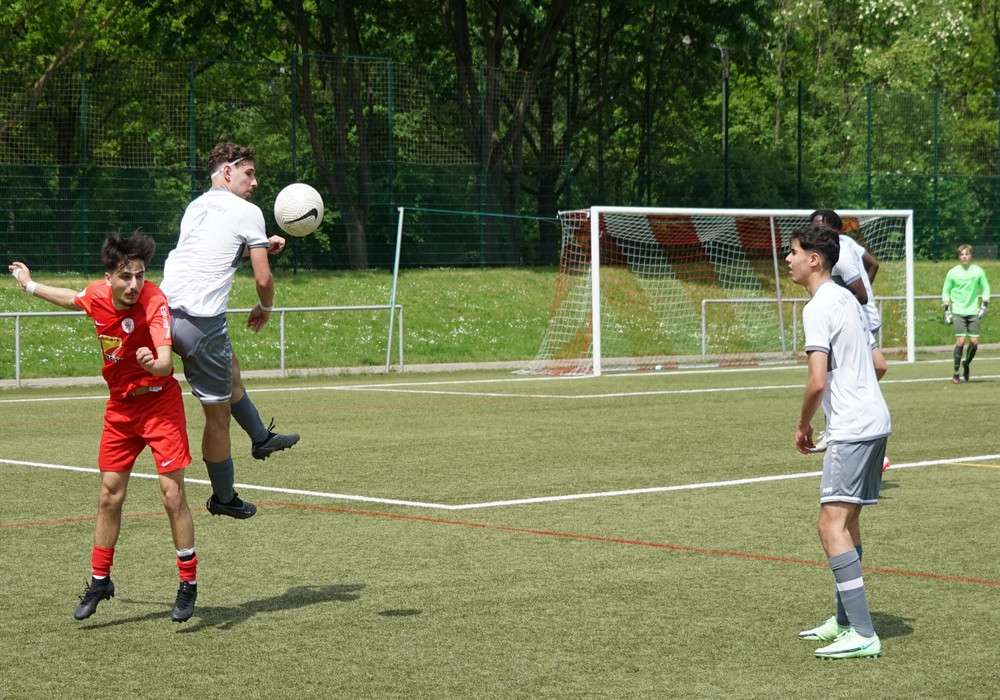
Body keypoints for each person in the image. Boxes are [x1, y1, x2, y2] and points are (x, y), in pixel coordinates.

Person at [9, 232, 199, 623]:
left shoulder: (154, 301)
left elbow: (166, 361)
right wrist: (29, 285)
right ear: (109, 277)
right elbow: (72, 298)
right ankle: (100, 581)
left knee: (172, 495)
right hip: (121, 409)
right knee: (109, 495)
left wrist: (154, 364)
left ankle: (188, 583)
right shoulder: (96, 295)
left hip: (160, 404)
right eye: (126, 276)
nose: (134, 284)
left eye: (140, 275)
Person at [159, 142, 300, 520]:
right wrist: (265, 308)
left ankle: (261, 438)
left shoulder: (196, 206)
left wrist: (261, 244)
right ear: (227, 171)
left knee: (230, 368)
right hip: (201, 324)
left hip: (163, 314)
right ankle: (223, 497)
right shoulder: (248, 211)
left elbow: (213, 249)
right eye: (248, 173)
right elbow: (263, 280)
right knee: (216, 417)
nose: (254, 182)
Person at [788, 224, 891, 660]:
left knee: (829, 526)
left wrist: (803, 426)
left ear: (815, 259)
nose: (788, 259)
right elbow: (879, 364)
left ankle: (863, 633)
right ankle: (846, 621)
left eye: (794, 252)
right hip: (875, 422)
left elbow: (816, 382)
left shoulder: (817, 307)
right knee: (846, 524)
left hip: (853, 428)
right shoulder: (848, 297)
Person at [809, 209, 886, 379]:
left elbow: (862, 296)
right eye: (814, 229)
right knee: (856, 374)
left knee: (852, 375)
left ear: (836, 228)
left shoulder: (840, 256)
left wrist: (833, 306)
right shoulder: (845, 241)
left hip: (861, 321)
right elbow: (873, 265)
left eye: (822, 228)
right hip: (858, 319)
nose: (817, 233)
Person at [941, 244, 990, 383]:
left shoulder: (978, 272)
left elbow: (985, 288)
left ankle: (966, 363)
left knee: (974, 342)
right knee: (961, 341)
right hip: (958, 311)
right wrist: (946, 310)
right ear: (959, 256)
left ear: (971, 255)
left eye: (967, 254)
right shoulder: (952, 273)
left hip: (973, 311)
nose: (964, 257)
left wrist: (984, 306)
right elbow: (946, 291)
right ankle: (956, 373)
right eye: (962, 254)